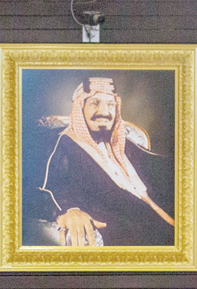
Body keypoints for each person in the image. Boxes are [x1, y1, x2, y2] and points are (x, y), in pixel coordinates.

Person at [25, 77, 175, 247]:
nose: (104, 112)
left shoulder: (125, 144)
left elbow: (162, 168)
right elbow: (46, 184)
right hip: (128, 230)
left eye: (110, 104)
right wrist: (69, 210)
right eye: (95, 103)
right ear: (80, 109)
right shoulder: (62, 144)